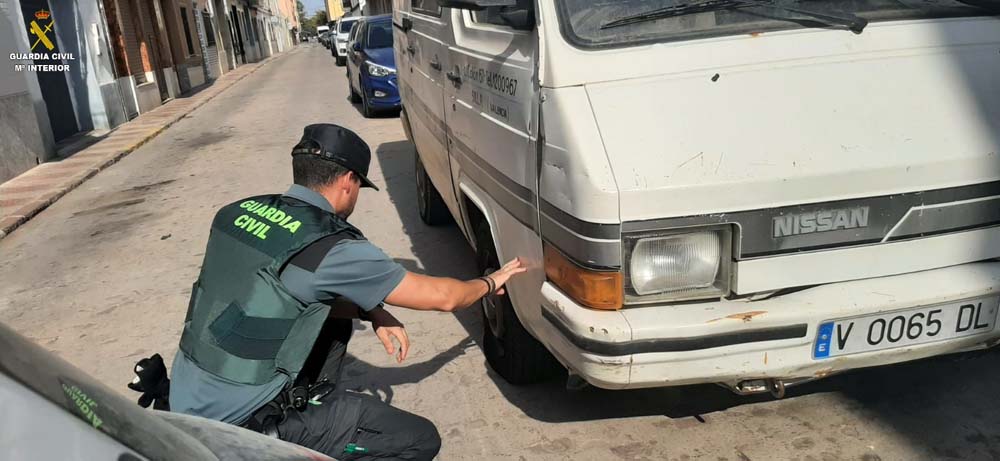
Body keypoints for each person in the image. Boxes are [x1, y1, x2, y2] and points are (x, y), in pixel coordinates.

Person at [168, 123, 525, 459]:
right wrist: (491, 281)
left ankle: (310, 409)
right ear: (348, 181)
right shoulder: (331, 247)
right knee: (418, 440)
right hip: (242, 424)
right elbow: (445, 297)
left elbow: (276, 295)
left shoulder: (234, 213)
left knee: (332, 319)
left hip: (186, 399)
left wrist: (372, 310)